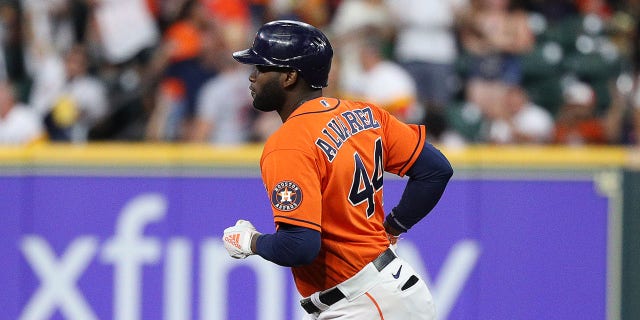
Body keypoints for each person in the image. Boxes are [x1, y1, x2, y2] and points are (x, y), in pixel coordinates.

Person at [221, 20, 453, 319]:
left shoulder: (289, 143)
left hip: (363, 302)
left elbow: (299, 246)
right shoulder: (365, 113)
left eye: (262, 68)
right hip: (385, 291)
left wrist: (249, 242)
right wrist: (393, 227)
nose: (252, 77)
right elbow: (435, 170)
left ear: (290, 76)